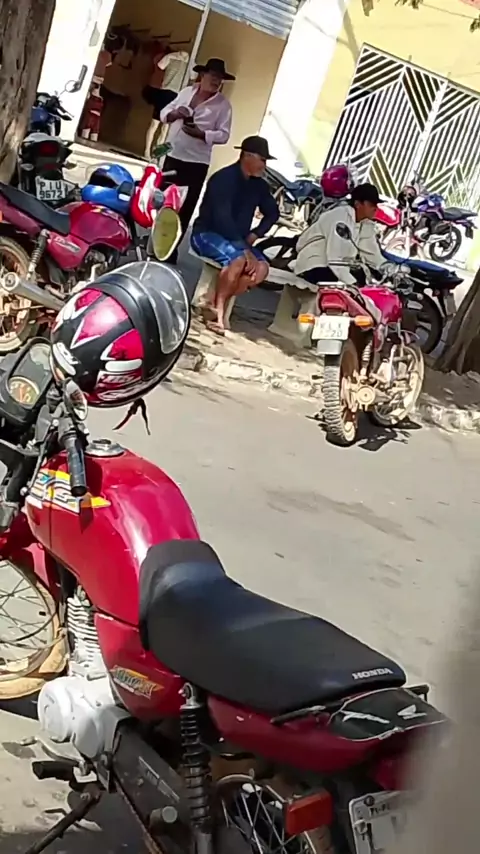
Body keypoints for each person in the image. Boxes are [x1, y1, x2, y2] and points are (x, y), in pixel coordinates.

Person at [191, 135, 280, 335]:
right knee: (238, 260)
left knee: (262, 269)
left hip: (238, 240)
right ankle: (220, 314)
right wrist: (242, 248)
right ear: (247, 156)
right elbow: (221, 218)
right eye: (262, 160)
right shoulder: (223, 179)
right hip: (207, 233)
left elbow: (273, 213)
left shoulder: (259, 185)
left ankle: (214, 303)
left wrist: (256, 234)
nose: (264, 165)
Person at [159, 58, 234, 262]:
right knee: (164, 200)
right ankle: (156, 243)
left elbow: (224, 135)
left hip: (196, 162)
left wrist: (202, 134)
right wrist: (175, 114)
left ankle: (171, 249)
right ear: (203, 75)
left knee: (185, 207)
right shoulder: (186, 92)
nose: (216, 81)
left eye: (219, 78)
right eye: (213, 76)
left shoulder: (223, 106)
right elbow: (164, 112)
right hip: (173, 154)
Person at [294, 183, 386, 285]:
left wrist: (390, 269)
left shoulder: (365, 224)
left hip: (336, 267)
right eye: (371, 204)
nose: (375, 208)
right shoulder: (340, 217)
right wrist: (352, 284)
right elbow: (336, 259)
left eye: (376, 205)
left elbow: (372, 254)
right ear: (358, 204)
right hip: (314, 265)